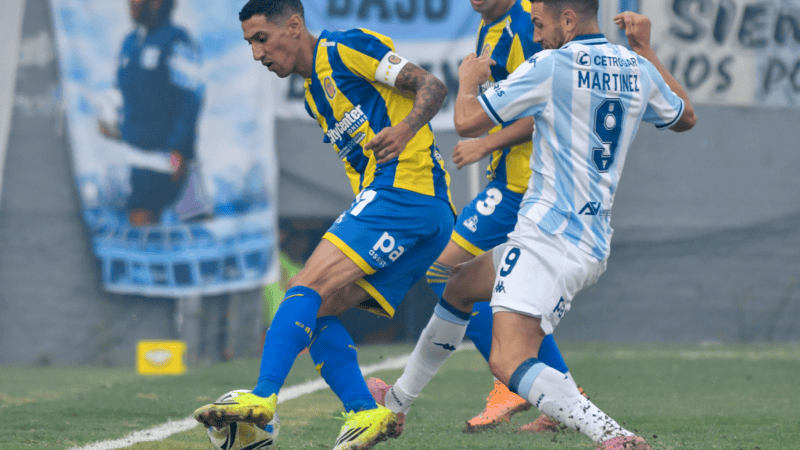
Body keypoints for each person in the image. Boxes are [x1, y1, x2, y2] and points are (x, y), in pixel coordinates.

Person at [380, 2, 697, 449]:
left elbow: (467, 122)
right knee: (460, 283)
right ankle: (397, 402)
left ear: (569, 20)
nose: (536, 31)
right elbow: (685, 117)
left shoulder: (551, 65)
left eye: (539, 22)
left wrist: (468, 82)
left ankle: (613, 436)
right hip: (589, 240)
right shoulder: (635, 67)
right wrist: (645, 49)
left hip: (547, 239)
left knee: (508, 361)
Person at [193, 1, 455, 449]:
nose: (257, 54)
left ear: (294, 26)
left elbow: (432, 84)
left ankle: (261, 399)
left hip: (404, 193)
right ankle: (364, 411)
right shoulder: (315, 92)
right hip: (422, 213)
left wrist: (407, 127)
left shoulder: (343, 48)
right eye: (250, 44)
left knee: (305, 285)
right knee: (322, 307)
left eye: (262, 39)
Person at [366, 0, 584, 435]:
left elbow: (550, 107)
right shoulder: (491, 26)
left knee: (444, 272)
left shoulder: (527, 25)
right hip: (509, 180)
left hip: (523, 185)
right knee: (498, 290)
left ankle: (515, 383)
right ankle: (562, 400)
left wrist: (486, 143)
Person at [98, 0, 205, 226]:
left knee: (189, 233)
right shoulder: (129, 43)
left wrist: (179, 149)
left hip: (166, 159)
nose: (131, 3)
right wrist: (107, 116)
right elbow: (119, 89)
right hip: (134, 157)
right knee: (140, 232)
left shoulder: (177, 40)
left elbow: (190, 98)